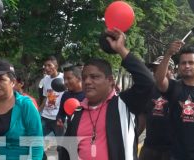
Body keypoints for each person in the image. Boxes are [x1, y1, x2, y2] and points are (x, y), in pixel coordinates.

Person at [59, 28, 155, 160]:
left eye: (94, 77)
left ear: (110, 81)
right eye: (84, 77)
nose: (87, 81)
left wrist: (121, 49)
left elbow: (148, 82)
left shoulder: (124, 104)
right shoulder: (77, 112)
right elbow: (67, 152)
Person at [139, 56, 175, 160]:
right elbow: (143, 118)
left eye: (160, 69)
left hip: (173, 150)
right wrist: (134, 137)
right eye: (154, 70)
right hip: (150, 148)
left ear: (171, 70)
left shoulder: (180, 89)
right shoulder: (149, 91)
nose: (156, 73)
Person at [39, 56, 65, 137]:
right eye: (45, 66)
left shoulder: (64, 78)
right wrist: (38, 111)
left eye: (49, 65)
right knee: (37, 138)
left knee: (62, 145)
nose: (47, 68)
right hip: (45, 116)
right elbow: (45, 97)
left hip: (58, 117)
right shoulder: (45, 79)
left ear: (56, 66)